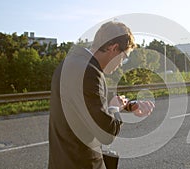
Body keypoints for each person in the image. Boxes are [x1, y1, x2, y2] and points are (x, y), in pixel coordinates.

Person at [48, 21, 155, 169]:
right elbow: (106, 134)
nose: (121, 64)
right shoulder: (89, 72)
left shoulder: (70, 63)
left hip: (60, 161)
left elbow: (96, 99)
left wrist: (131, 105)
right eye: (124, 57)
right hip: (82, 163)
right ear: (114, 48)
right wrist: (114, 110)